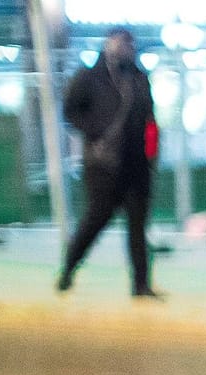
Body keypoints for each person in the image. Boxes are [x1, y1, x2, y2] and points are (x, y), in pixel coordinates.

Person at [57, 28, 160, 299]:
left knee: (138, 227)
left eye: (130, 44)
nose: (128, 49)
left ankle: (141, 285)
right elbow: (70, 111)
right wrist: (95, 130)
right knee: (96, 220)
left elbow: (150, 119)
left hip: (137, 165)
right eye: (123, 44)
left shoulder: (139, 79)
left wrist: (151, 155)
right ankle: (68, 269)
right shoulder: (90, 77)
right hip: (103, 166)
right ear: (109, 46)